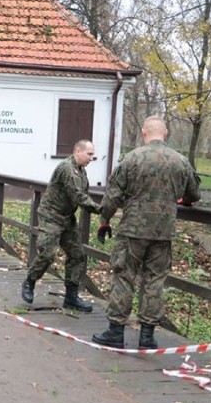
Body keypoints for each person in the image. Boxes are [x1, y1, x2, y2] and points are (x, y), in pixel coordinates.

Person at [92, 116, 201, 349]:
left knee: (124, 277)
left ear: (143, 133)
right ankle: (146, 336)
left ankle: (116, 332)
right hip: (163, 232)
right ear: (166, 133)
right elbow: (194, 194)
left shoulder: (131, 159)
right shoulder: (180, 161)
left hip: (132, 230)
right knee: (155, 280)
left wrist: (105, 220)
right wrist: (184, 200)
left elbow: (112, 196)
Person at [20, 139, 100, 312]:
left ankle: (71, 297)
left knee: (77, 254)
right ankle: (30, 281)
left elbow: (83, 194)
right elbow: (78, 196)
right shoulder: (66, 169)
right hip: (51, 216)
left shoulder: (81, 171)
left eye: (93, 155)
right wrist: (100, 209)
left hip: (67, 217)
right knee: (47, 253)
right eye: (89, 154)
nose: (91, 158)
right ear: (77, 151)